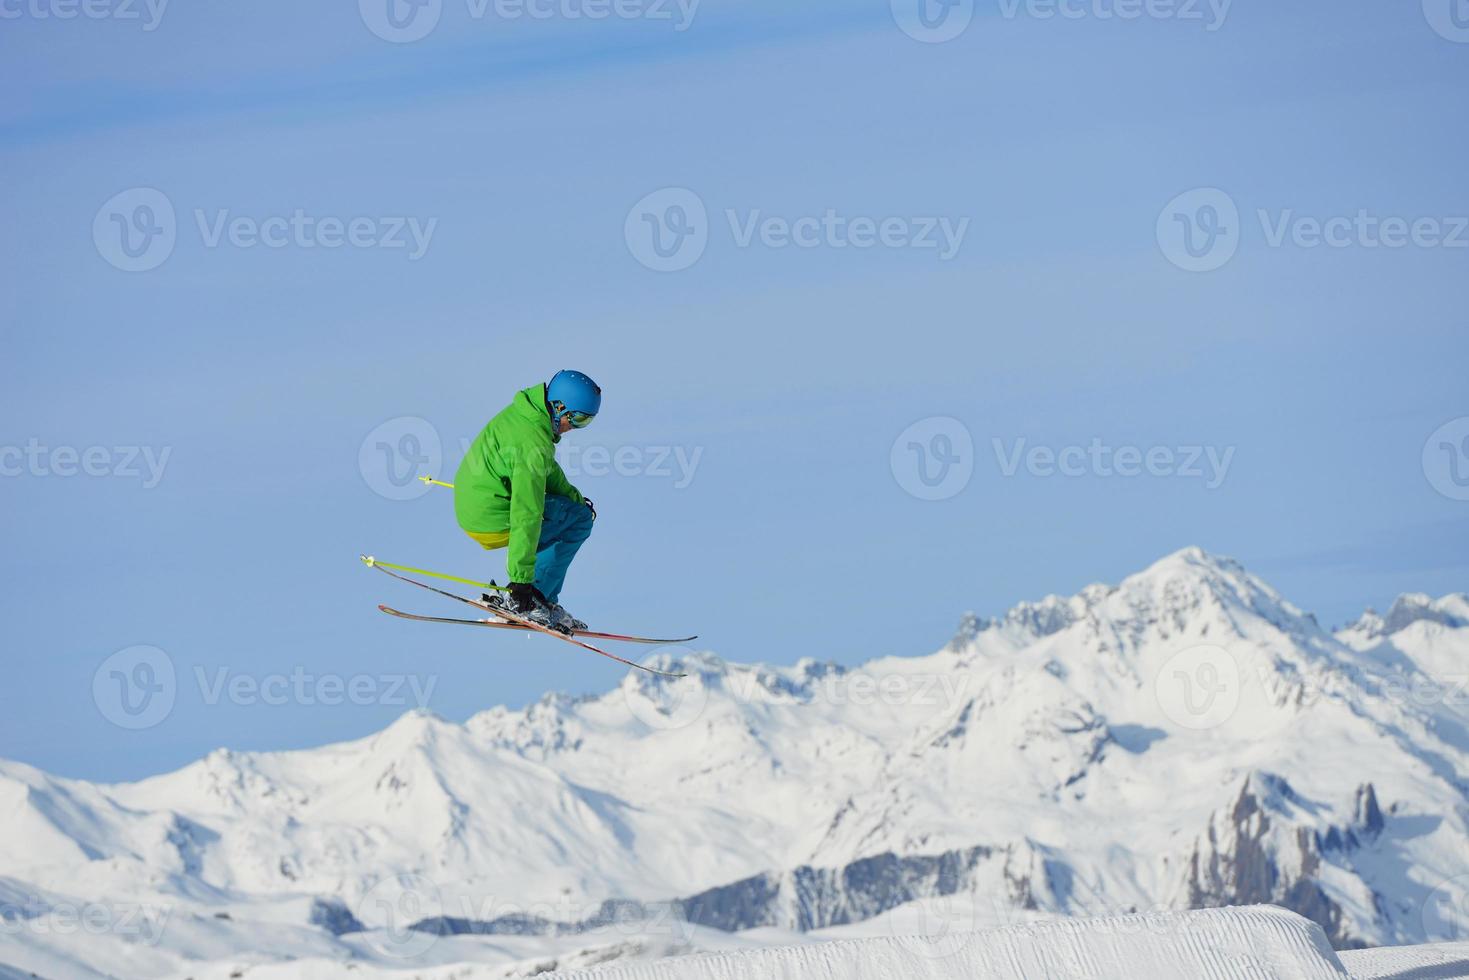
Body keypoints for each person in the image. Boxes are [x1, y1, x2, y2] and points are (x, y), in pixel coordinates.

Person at [453, 370, 600, 631]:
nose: (574, 427)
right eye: (577, 419)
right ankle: (528, 600)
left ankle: (542, 600)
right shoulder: (530, 442)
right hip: (490, 516)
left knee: (576, 514)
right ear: (559, 407)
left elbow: (548, 470)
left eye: (586, 422)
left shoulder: (527, 418)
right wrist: (519, 581)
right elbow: (526, 512)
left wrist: (574, 498)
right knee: (578, 522)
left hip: (478, 503)